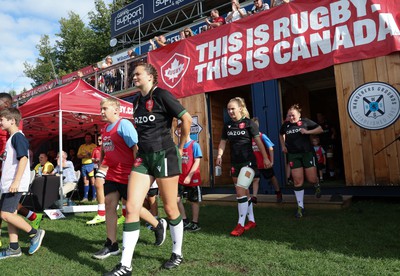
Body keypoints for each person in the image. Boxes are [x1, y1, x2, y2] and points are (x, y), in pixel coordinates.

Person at [105, 62, 192, 275]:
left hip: (165, 155)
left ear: (151, 76)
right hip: (143, 158)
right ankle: (125, 265)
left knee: (171, 208)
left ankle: (177, 253)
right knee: (132, 207)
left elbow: (186, 118)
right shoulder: (136, 102)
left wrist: (181, 146)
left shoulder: (162, 95)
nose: (133, 77)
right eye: (133, 74)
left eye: (138, 74)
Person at [93, 97, 165, 261]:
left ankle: (157, 225)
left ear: (116, 110)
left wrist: (137, 171)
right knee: (110, 204)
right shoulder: (105, 128)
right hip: (112, 174)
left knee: (133, 207)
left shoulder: (124, 125)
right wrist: (102, 167)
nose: (101, 112)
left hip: (128, 174)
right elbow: (104, 148)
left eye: (105, 109)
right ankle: (111, 244)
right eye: (101, 109)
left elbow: (136, 148)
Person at [216, 97, 270, 237]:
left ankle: (240, 224)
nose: (230, 111)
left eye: (233, 108)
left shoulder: (249, 123)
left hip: (248, 164)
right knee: (244, 192)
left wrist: (265, 157)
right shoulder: (227, 126)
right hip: (236, 164)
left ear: (240, 108)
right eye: (228, 109)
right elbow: (222, 142)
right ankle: (251, 220)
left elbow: (258, 141)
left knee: (240, 192)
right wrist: (219, 156)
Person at [0, 107, 45, 259]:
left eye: (2, 120)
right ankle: (14, 248)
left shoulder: (18, 137)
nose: (0, 122)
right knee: (11, 214)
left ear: (12, 121)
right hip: (8, 184)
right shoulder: (11, 138)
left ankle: (35, 233)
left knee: (5, 214)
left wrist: (16, 181)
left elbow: (24, 159)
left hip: (14, 184)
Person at [279, 104, 323, 218]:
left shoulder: (305, 121)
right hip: (293, 155)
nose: (291, 117)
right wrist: (283, 145)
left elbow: (320, 129)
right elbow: (281, 134)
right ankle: (300, 207)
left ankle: (316, 184)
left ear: (299, 115)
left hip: (307, 153)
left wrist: (307, 132)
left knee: (311, 179)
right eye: (289, 115)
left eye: (293, 115)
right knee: (297, 181)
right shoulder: (286, 125)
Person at [176, 123, 203, 232]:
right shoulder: (178, 147)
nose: (178, 134)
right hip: (180, 179)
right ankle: (184, 219)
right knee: (176, 199)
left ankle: (195, 223)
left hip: (192, 179)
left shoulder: (194, 145)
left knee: (194, 201)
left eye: (180, 131)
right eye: (177, 132)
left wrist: (189, 175)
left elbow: (197, 162)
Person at [251, 118, 282, 203]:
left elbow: (271, 148)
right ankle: (254, 197)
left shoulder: (262, 136)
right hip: (255, 164)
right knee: (255, 179)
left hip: (265, 163)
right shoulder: (249, 138)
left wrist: (271, 161)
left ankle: (278, 192)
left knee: (272, 177)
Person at [316, 112, 337, 179]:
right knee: (321, 160)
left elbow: (334, 132)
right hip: (321, 145)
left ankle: (332, 175)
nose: (318, 118)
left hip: (329, 145)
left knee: (329, 158)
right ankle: (324, 175)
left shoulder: (328, 123)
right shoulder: (317, 125)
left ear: (323, 116)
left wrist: (333, 135)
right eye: (317, 116)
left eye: (319, 116)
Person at [77, 133, 97, 202]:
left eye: (89, 137)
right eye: (86, 137)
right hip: (84, 164)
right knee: (85, 181)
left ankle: (94, 197)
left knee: (92, 180)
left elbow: (94, 155)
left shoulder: (94, 146)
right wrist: (85, 155)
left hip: (91, 164)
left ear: (91, 138)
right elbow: (78, 155)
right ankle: (85, 197)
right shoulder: (82, 146)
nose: (87, 139)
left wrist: (88, 155)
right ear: (84, 138)